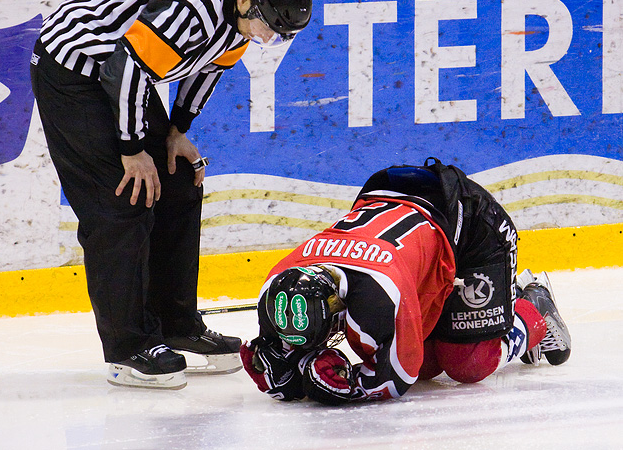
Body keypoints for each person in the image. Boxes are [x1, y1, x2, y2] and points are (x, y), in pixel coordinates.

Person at [30, 0, 312, 389]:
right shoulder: (193, 8)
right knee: (122, 201)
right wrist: (131, 149)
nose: (266, 39)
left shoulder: (247, 6)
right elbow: (123, 69)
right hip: (75, 67)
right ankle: (128, 348)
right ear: (242, 0)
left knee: (178, 180)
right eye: (266, 29)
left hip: (126, 74)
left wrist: (177, 131)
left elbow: (212, 63)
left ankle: (176, 324)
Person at [240, 159, 571, 404]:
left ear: (339, 303)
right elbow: (282, 349)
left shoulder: (376, 299)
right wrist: (295, 360)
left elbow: (396, 380)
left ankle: (533, 309)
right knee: (428, 364)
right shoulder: (277, 288)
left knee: (466, 364)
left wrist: (348, 385)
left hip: (471, 229)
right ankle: (488, 310)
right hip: (410, 235)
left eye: (327, 332)